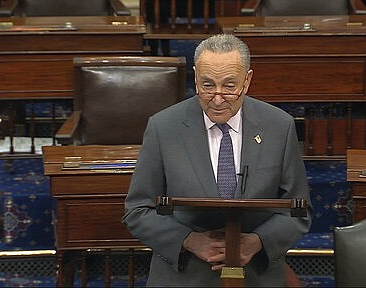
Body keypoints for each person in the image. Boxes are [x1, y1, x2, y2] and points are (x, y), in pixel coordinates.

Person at [122, 34, 312, 287]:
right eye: (208, 85)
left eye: (229, 86)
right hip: (184, 274)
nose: (218, 98)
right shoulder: (163, 127)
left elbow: (299, 210)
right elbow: (137, 210)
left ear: (247, 81)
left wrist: (256, 242)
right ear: (195, 77)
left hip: (255, 274)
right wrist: (190, 240)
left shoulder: (279, 126)